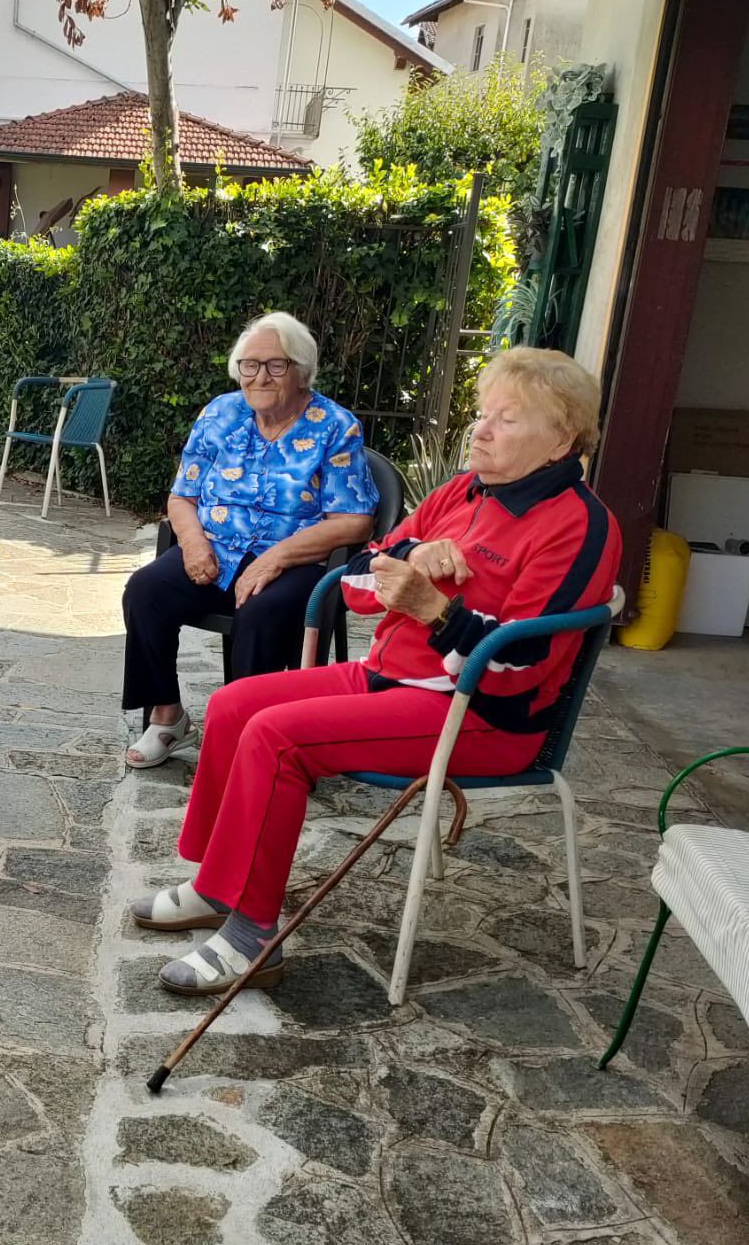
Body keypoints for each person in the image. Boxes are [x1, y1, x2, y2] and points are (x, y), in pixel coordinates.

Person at [131, 347, 621, 993]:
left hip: (480, 714)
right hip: (393, 674)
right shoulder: (461, 492)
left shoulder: (579, 527)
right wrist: (414, 554)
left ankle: (253, 938)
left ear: (560, 439)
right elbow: (362, 577)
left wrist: (435, 611)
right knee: (233, 705)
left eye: (507, 419)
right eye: (482, 414)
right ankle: (218, 885)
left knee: (277, 739)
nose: (480, 429)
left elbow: (520, 666)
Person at [122, 312, 378, 768]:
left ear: (302, 371)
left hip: (298, 558)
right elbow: (181, 496)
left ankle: (242, 731)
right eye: (249, 365)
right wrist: (195, 545)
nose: (259, 376)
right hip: (217, 548)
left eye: (276, 365)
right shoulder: (219, 414)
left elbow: (355, 521)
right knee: (145, 591)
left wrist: (275, 558)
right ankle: (168, 714)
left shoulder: (335, 426)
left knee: (260, 609)